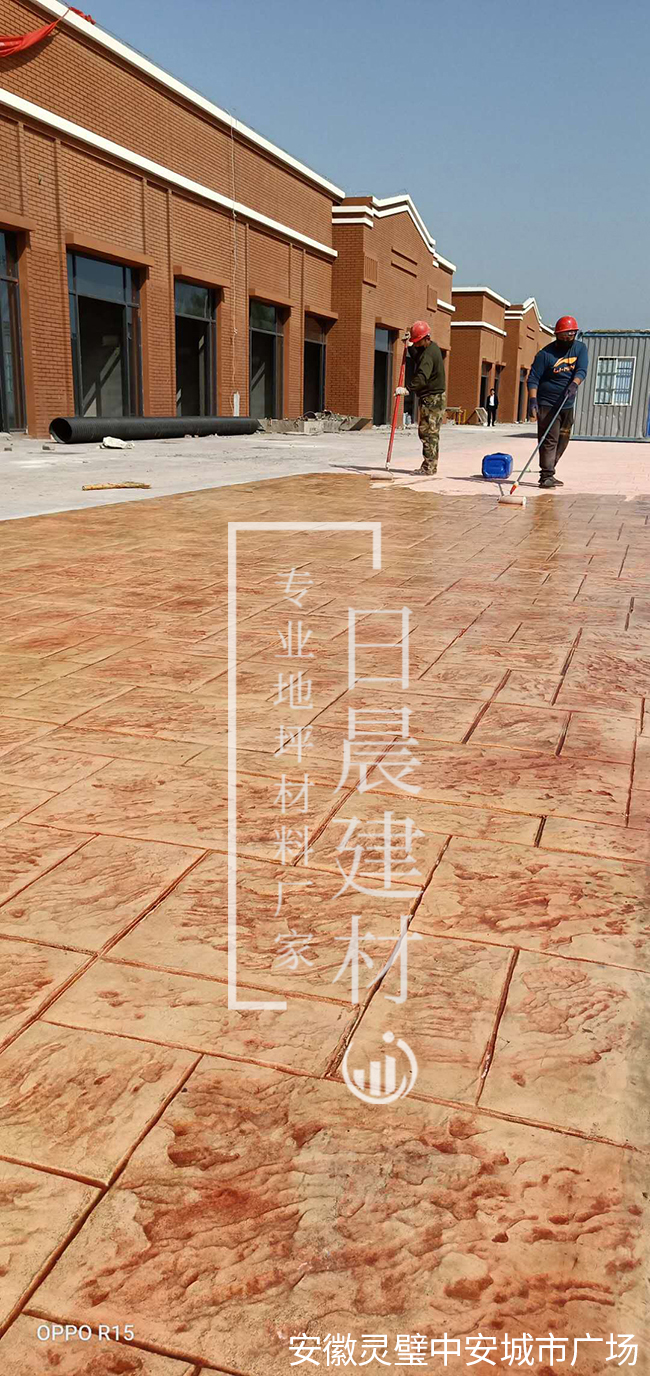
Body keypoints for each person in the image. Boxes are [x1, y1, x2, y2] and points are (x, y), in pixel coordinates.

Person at [527, 316, 588, 489]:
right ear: (557, 335)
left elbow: (581, 369)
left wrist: (574, 384)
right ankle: (546, 475)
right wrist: (533, 400)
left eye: (571, 335)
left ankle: (550, 469)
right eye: (564, 335)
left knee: (563, 438)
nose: (568, 338)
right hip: (547, 403)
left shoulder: (580, 348)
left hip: (567, 402)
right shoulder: (545, 354)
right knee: (549, 439)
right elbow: (533, 378)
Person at [395, 320, 446, 475]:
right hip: (435, 397)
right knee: (431, 432)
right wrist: (410, 347)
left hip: (432, 399)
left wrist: (407, 389)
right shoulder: (431, 348)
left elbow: (422, 376)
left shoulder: (429, 354)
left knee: (428, 433)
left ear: (425, 338)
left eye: (417, 342)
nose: (416, 344)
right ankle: (430, 466)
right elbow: (419, 358)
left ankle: (428, 467)